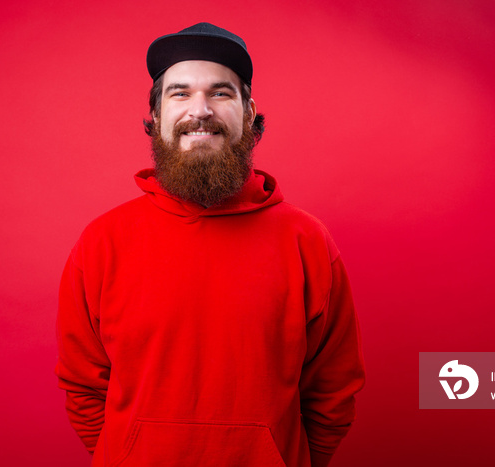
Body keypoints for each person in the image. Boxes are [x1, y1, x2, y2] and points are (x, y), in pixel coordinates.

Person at [56, 22, 365, 467]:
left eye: (220, 93)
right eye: (179, 94)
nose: (199, 110)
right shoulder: (102, 242)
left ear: (250, 110)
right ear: (157, 115)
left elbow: (333, 390)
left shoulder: (308, 242)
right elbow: (83, 387)